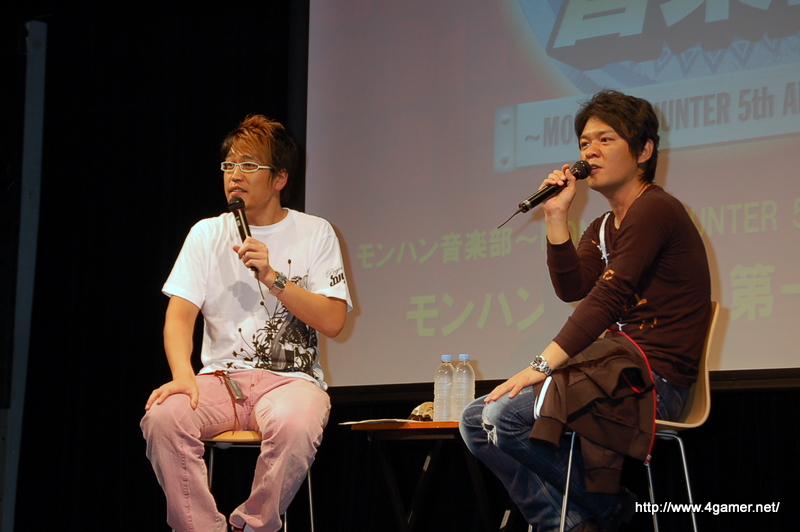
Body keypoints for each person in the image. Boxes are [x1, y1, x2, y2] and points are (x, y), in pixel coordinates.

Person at [460, 90, 711, 531]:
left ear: (644, 151)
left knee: (502, 418)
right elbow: (573, 288)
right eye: (584, 143)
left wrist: (541, 365)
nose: (589, 152)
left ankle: (610, 510)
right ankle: (576, 523)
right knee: (475, 421)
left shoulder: (656, 209)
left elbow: (608, 298)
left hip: (654, 379)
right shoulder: (602, 225)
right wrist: (556, 215)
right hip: (612, 370)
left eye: (605, 140)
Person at [141, 115, 352, 532]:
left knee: (296, 424)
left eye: (249, 165)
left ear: (279, 178)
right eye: (229, 165)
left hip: (290, 383)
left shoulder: (316, 233)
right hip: (220, 380)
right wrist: (182, 376)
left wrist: (273, 278)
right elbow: (179, 317)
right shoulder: (206, 234)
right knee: (164, 417)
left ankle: (252, 526)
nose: (235, 175)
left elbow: (333, 321)